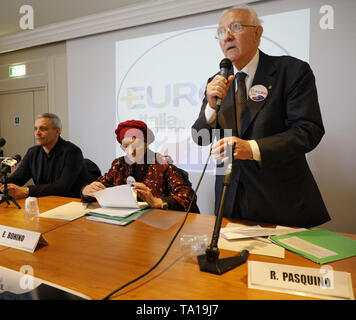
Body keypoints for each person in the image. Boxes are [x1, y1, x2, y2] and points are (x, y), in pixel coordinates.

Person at [192, 6, 330, 227]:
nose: (227, 36)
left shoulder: (291, 71)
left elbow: (308, 131)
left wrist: (252, 149)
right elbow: (200, 137)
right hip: (230, 201)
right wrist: (209, 107)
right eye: (221, 32)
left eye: (235, 27)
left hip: (281, 202)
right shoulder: (218, 81)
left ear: (258, 33)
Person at [81, 120, 199, 213]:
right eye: (126, 146)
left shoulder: (162, 164)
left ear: (146, 143)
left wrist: (157, 201)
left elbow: (188, 197)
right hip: (127, 223)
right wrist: (87, 190)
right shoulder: (119, 165)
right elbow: (99, 188)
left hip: (157, 223)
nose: (131, 152)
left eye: (136, 145)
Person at [0, 113, 88, 198]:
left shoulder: (72, 152)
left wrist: (27, 191)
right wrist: (2, 184)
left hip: (69, 203)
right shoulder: (32, 152)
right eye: (35, 128)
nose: (37, 133)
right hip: (43, 202)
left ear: (57, 131)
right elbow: (17, 179)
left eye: (43, 129)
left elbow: (62, 187)